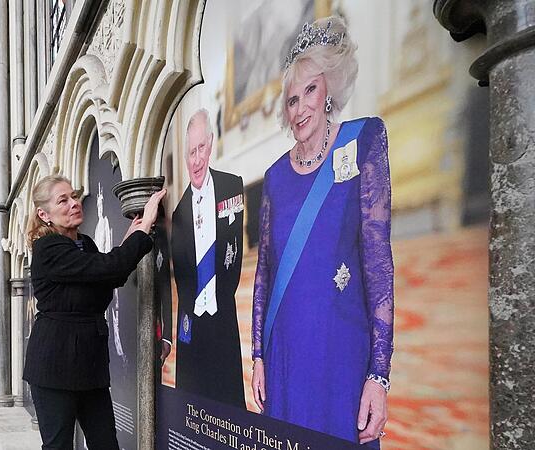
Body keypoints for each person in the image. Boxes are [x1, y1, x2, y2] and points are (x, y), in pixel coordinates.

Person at [250, 16, 394, 447]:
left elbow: (379, 266)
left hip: (342, 358)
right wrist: (258, 356)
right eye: (291, 100)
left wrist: (379, 376)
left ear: (330, 87)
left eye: (309, 90)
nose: (300, 109)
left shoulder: (363, 140)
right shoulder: (275, 176)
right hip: (287, 357)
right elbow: (264, 275)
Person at [22, 174, 166, 449]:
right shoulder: (48, 248)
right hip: (55, 364)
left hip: (88, 363)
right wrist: (144, 226)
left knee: (105, 443)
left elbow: (107, 279)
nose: (74, 203)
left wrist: (128, 243)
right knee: (58, 446)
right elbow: (108, 269)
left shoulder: (85, 244)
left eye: (74, 196)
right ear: (44, 214)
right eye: (62, 200)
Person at [171, 108, 245, 408]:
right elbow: (182, 278)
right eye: (191, 152)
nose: (197, 159)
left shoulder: (232, 187)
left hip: (223, 314)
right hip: (192, 321)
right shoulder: (177, 215)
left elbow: (235, 250)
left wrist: (221, 298)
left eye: (201, 148)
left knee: (228, 402)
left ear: (211, 144)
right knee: (193, 404)